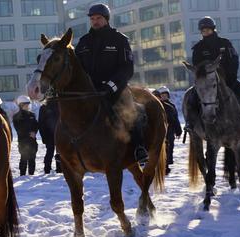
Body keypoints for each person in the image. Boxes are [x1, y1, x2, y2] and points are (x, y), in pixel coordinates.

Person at [75, 3, 148, 164]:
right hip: (90, 91)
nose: (95, 21)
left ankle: (139, 147)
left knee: (130, 111)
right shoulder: (83, 42)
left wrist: (111, 86)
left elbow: (127, 68)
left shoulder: (120, 40)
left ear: (106, 19)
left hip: (115, 89)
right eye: (92, 19)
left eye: (98, 18)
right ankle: (68, 150)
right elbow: (76, 68)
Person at [185, 16, 240, 131]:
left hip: (227, 78)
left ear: (213, 29)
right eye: (203, 30)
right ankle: (190, 122)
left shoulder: (225, 43)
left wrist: (231, 77)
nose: (206, 32)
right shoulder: (198, 48)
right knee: (191, 98)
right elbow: (197, 67)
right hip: (207, 82)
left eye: (208, 29)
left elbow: (234, 60)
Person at [153, 88, 182, 175]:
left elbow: (175, 119)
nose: (163, 97)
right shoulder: (153, 107)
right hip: (156, 133)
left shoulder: (170, 107)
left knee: (168, 148)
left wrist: (178, 130)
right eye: (162, 95)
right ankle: (159, 166)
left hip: (169, 131)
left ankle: (166, 165)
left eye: (165, 95)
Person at [13, 95, 38, 176]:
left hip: (32, 141)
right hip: (23, 142)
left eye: (28, 104)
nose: (28, 106)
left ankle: (31, 174)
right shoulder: (16, 117)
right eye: (25, 105)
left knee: (32, 158)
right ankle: (22, 175)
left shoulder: (32, 115)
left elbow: (36, 125)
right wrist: (28, 133)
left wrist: (34, 132)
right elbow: (18, 129)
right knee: (24, 158)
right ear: (21, 105)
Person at [38, 100, 62, 174]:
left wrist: (43, 136)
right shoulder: (59, 104)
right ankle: (57, 168)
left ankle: (49, 169)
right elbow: (41, 123)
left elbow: (41, 123)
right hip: (56, 133)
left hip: (54, 133)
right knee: (55, 152)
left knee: (52, 151)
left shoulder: (44, 107)